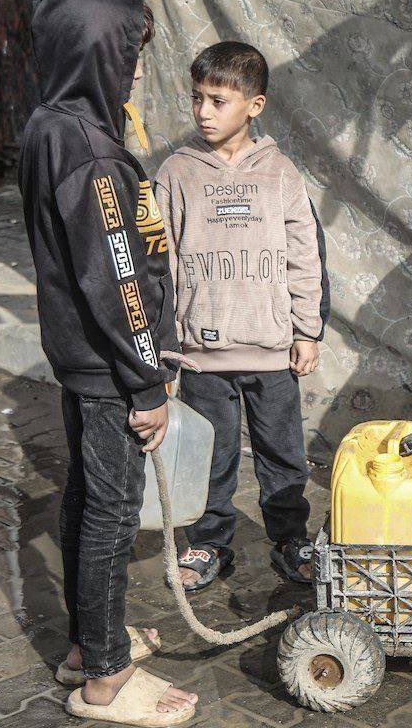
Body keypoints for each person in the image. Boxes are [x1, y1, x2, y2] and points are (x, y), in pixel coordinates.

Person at [19, 0, 197, 724]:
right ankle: (105, 677)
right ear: (94, 52)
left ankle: (85, 646)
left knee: (89, 499)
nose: (135, 70)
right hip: (110, 369)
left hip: (78, 357)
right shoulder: (91, 154)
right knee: (112, 511)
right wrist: (148, 384)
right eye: (128, 53)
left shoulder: (47, 125)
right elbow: (119, 283)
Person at [153, 42, 328, 592]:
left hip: (272, 347)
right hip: (202, 352)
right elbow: (161, 263)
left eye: (218, 101)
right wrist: (166, 344)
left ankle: (291, 540)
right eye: (198, 99)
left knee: (283, 453)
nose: (204, 112)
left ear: (254, 106)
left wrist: (306, 329)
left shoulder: (280, 173)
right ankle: (208, 545)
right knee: (212, 454)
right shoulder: (176, 174)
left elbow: (304, 255)